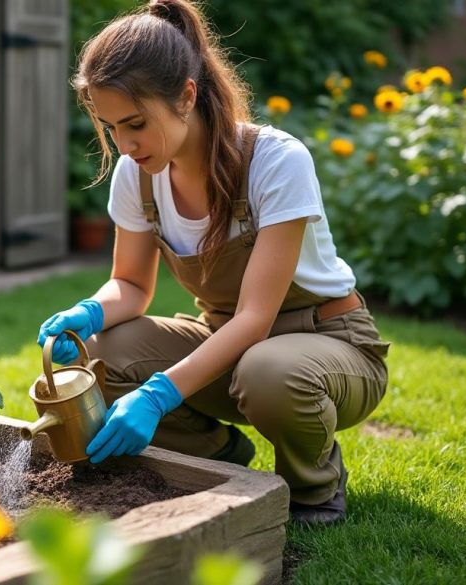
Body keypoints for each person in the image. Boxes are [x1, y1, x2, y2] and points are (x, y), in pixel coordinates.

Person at [37, 0, 390, 525]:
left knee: (269, 370)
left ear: (186, 96)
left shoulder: (276, 161)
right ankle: (219, 456)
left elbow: (255, 318)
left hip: (328, 347)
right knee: (102, 351)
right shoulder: (137, 175)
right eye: (111, 128)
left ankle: (313, 488)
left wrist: (158, 395)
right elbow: (130, 284)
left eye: (136, 124)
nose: (125, 145)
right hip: (228, 345)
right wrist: (88, 313)